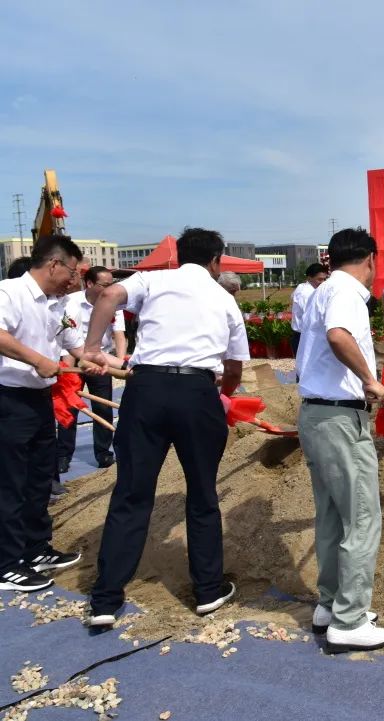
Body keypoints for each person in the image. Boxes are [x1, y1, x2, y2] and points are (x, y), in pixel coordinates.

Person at [82, 228, 249, 627]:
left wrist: (91, 349)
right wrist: (222, 396)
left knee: (132, 493)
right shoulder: (223, 298)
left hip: (147, 390)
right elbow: (235, 366)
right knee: (202, 494)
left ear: (178, 256)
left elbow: (108, 295)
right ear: (216, 262)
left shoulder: (154, 279)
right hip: (197, 393)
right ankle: (207, 590)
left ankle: (106, 599)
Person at [296, 227, 384, 652]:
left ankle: (331, 604)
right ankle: (350, 620)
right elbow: (340, 336)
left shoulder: (322, 290)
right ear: (371, 260)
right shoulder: (347, 293)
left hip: (317, 415)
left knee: (332, 517)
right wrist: (372, 382)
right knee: (361, 517)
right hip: (340, 418)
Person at [0, 235, 88, 592]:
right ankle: (6, 563)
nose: (73, 279)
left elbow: (76, 347)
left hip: (39, 400)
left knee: (40, 478)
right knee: (10, 482)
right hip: (8, 399)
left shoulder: (58, 304)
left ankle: (36, 548)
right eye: (72, 270)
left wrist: (98, 362)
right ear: (54, 264)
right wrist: (37, 360)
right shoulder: (10, 293)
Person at [55, 267, 128, 472]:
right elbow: (68, 341)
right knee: (69, 406)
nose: (110, 288)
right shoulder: (70, 302)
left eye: (112, 283)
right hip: (72, 359)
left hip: (101, 360)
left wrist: (121, 364)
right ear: (89, 284)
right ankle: (63, 456)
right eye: (105, 284)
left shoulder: (114, 303)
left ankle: (103, 453)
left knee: (103, 408)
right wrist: (67, 367)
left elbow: (119, 336)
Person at [290, 263, 329, 356]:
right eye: (319, 279)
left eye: (324, 279)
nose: (322, 282)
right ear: (309, 278)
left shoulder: (305, 288)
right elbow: (312, 314)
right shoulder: (306, 293)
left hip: (305, 335)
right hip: (303, 336)